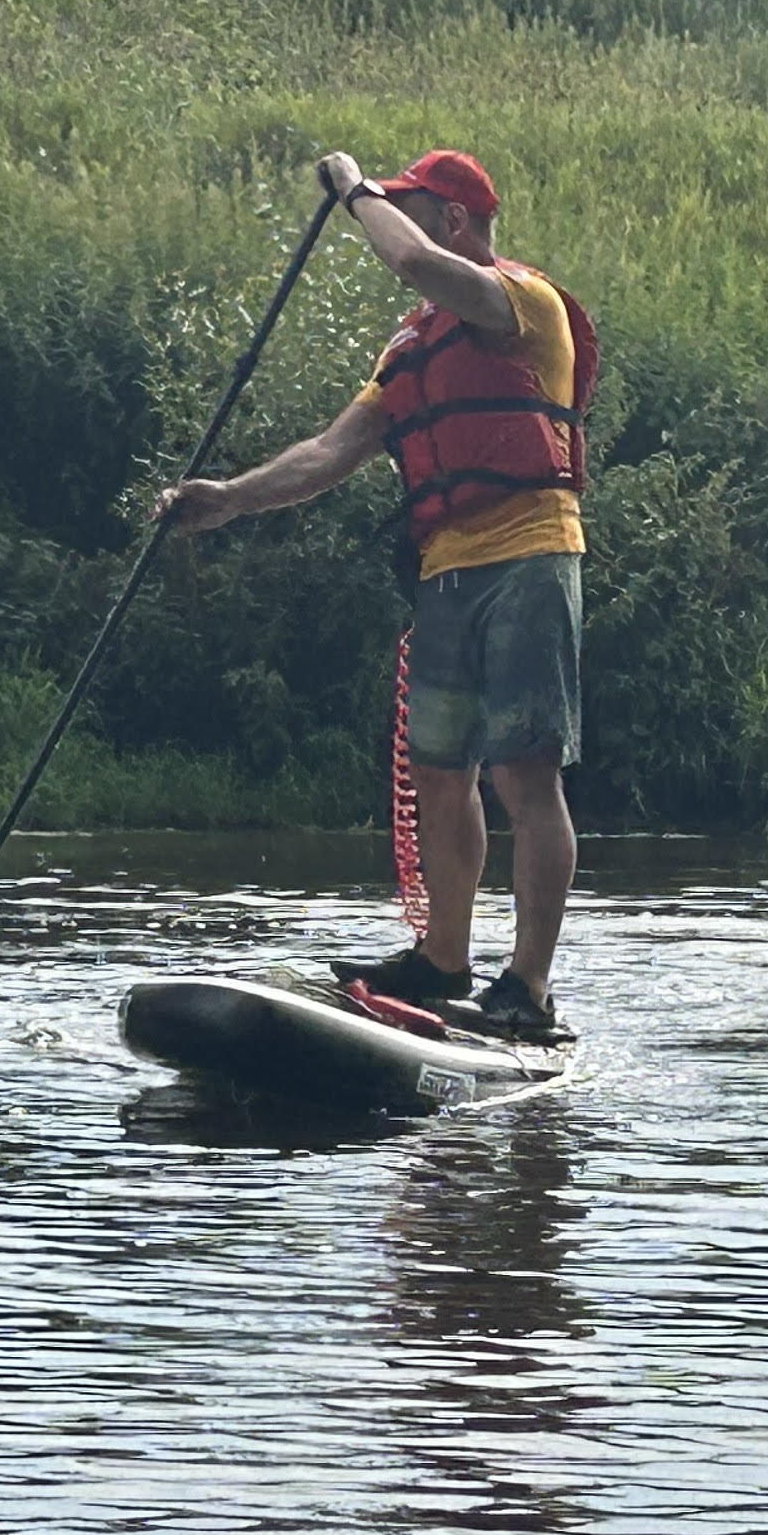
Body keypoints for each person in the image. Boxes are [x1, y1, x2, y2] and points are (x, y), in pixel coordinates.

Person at [163, 149, 598, 1040]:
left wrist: (355, 191)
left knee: (525, 774)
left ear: (455, 219)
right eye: (386, 202)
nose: (392, 216)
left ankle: (529, 988)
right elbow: (329, 452)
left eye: (410, 204)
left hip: (529, 561)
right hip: (445, 573)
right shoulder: (410, 347)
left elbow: (409, 261)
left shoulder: (520, 300)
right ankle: (443, 961)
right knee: (442, 777)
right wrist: (230, 499)